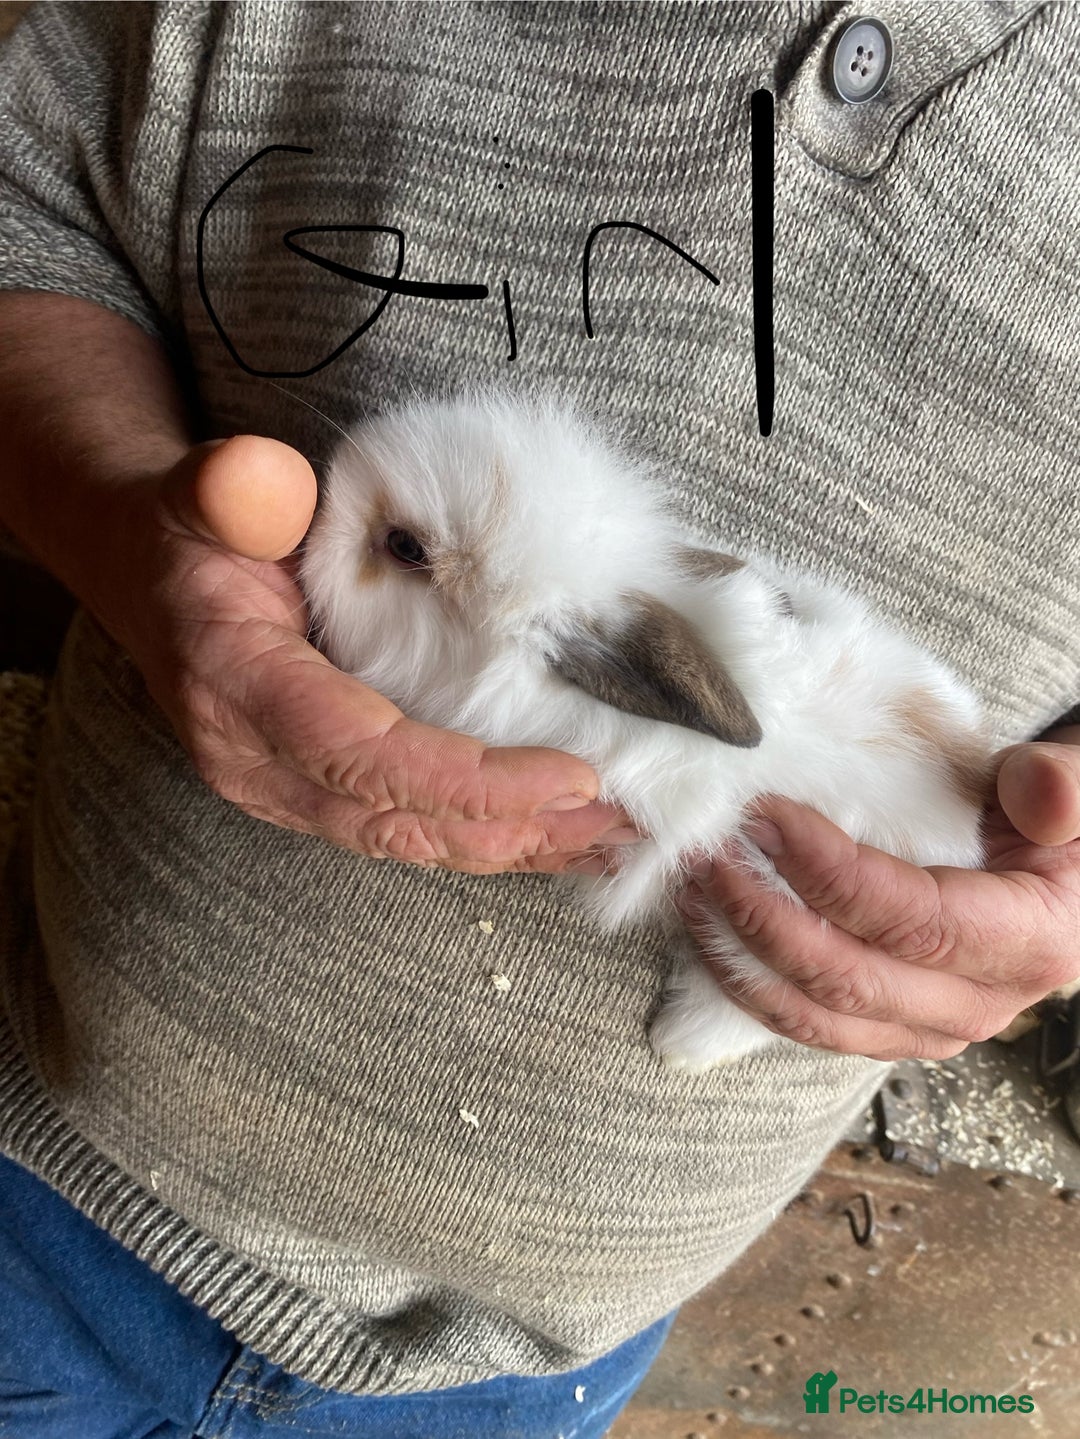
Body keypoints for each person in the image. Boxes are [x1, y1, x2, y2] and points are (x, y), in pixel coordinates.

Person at [1, 3, 1079, 1435]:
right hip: (44, 1168)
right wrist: (136, 537)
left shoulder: (627, 672)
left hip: (525, 1364)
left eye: (389, 551)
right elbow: (28, 194)